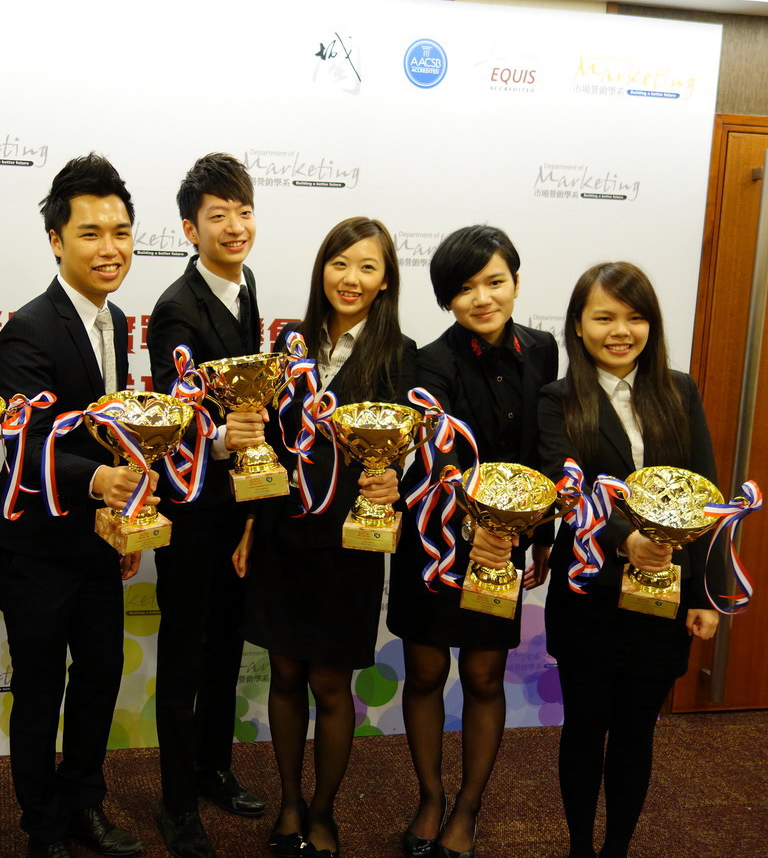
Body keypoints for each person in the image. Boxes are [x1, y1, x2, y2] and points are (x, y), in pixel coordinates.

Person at [235, 217, 416, 858]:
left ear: (386, 280)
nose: (351, 278)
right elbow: (266, 442)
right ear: (322, 270)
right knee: (285, 675)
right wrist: (250, 525)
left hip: (348, 542)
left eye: (368, 266)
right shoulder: (288, 344)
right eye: (340, 263)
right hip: (282, 533)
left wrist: (394, 481)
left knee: (331, 685)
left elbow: (414, 452)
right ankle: (289, 803)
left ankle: (322, 811)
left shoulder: (401, 355)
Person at [0, 154, 147, 858]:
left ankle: (85, 802)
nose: (109, 248)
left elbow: (110, 430)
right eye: (90, 233)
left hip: (97, 540)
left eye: (120, 231)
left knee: (101, 676)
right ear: (56, 240)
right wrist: (98, 482)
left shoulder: (118, 320)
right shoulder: (28, 328)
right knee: (40, 688)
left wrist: (123, 514)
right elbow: (25, 444)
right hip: (36, 545)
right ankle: (44, 826)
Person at [386, 225, 558, 858]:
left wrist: (540, 533)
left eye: (495, 282)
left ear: (516, 282)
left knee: (485, 676)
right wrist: (474, 525)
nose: (482, 298)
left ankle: (468, 807)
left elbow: (543, 450)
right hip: (436, 539)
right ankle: (430, 797)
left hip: (506, 540)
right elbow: (440, 460)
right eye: (464, 289)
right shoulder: (428, 361)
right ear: (446, 299)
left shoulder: (543, 350)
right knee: (426, 671)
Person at [538, 262, 720, 858]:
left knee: (637, 734)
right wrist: (625, 540)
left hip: (666, 595)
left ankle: (616, 849)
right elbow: (567, 489)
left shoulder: (679, 391)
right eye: (605, 317)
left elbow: (706, 495)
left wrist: (705, 595)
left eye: (635, 317)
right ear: (578, 325)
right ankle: (579, 848)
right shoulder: (557, 399)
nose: (621, 331)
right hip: (589, 592)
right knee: (585, 730)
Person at [147, 152, 267, 858]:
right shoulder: (175, 309)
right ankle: (175, 802)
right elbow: (174, 421)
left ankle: (213, 766)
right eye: (218, 215)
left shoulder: (248, 288)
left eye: (244, 212)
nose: (235, 226)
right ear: (190, 229)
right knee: (186, 655)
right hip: (191, 512)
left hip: (238, 510)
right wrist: (222, 440)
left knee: (227, 645)